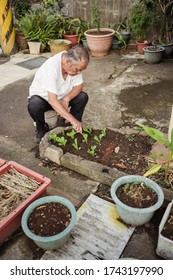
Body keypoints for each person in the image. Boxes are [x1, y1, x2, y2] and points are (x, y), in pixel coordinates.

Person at [27, 45, 90, 143]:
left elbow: (79, 86)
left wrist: (66, 99)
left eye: (81, 70)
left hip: (61, 98)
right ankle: (41, 130)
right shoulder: (51, 67)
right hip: (44, 100)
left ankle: (68, 126)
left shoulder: (73, 63)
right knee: (34, 104)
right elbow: (52, 99)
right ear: (68, 63)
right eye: (77, 69)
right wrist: (73, 120)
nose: (79, 72)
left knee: (82, 97)